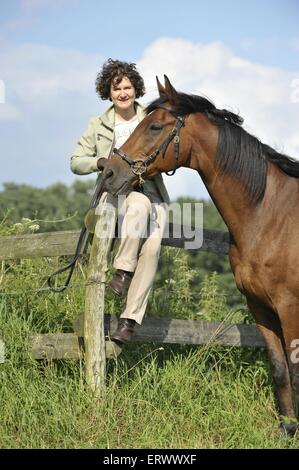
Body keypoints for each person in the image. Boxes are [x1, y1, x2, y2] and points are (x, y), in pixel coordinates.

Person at [71, 59, 169, 344]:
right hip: (114, 195)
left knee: (150, 253)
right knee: (137, 206)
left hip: (153, 194)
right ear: (109, 92)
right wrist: (101, 162)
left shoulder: (149, 120)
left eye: (127, 87)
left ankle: (129, 320)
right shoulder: (98, 124)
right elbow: (76, 162)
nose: (123, 93)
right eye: (117, 89)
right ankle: (123, 270)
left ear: (135, 89)